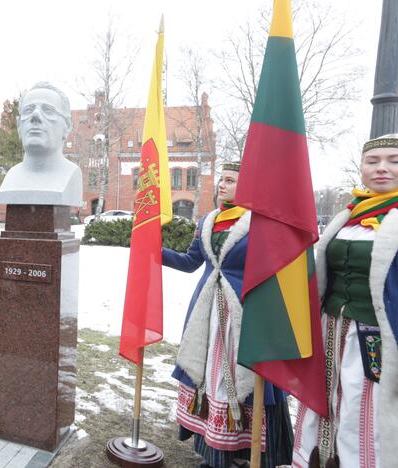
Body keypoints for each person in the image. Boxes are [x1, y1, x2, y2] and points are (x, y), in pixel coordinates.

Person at [161, 162, 293, 468]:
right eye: (221, 179)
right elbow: (191, 261)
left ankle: (246, 454)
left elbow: (275, 269)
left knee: (241, 381)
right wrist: (153, 250)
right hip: (206, 316)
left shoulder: (260, 223)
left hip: (244, 315)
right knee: (209, 378)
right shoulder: (209, 220)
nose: (222, 184)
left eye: (231, 180)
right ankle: (214, 452)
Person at [292, 134, 398, 468]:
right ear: (361, 168)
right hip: (329, 330)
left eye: (394, 161)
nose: (382, 168)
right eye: (372, 161)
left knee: (361, 411)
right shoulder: (347, 216)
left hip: (379, 337)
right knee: (324, 403)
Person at [0, 81, 83, 207]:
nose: (35, 116)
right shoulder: (11, 177)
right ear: (19, 126)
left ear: (67, 126)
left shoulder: (71, 175)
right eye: (28, 110)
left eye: (48, 110)